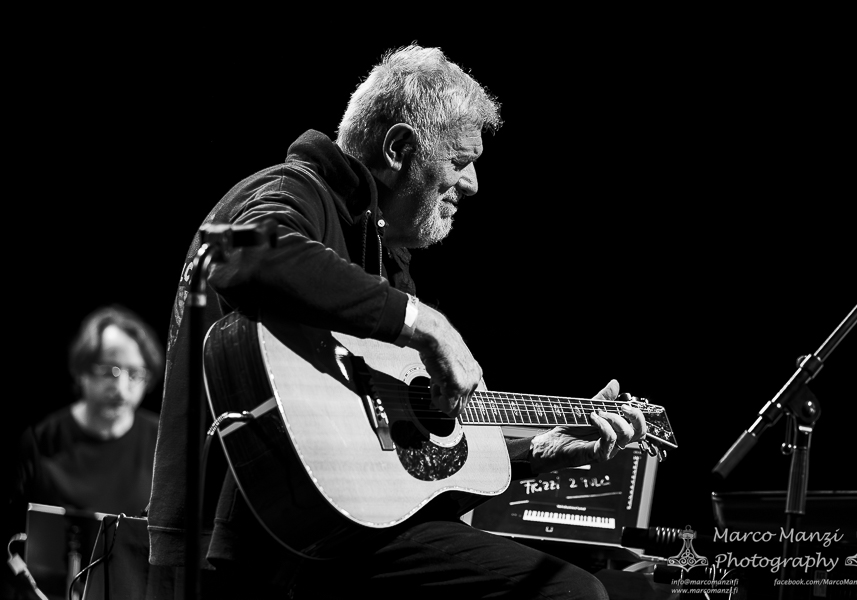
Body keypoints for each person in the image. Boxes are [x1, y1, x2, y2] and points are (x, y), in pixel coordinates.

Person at [148, 45, 648, 599]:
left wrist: (534, 451)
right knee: (568, 593)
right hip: (256, 540)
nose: (473, 183)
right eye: (459, 159)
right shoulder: (293, 190)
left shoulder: (384, 256)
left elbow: (406, 455)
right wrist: (425, 323)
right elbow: (238, 254)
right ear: (398, 148)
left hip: (327, 534)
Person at [3, 305, 164, 598]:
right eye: (110, 371)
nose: (121, 388)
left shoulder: (163, 443)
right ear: (82, 371)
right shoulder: (39, 441)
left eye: (135, 374)